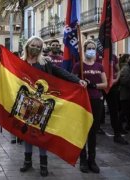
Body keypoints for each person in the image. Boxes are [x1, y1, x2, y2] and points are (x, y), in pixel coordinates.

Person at [19, 36, 87, 177]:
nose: (36, 48)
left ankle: (44, 164)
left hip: (42, 103)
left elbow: (61, 72)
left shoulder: (45, 62)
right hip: (26, 102)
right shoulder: (20, 62)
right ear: (27, 45)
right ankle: (27, 161)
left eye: (39, 46)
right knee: (26, 134)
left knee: (41, 133)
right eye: (33, 45)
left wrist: (77, 80)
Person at [72, 40, 107, 174]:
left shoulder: (99, 66)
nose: (91, 50)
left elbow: (105, 84)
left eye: (93, 48)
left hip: (96, 100)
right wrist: (79, 84)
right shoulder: (78, 66)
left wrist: (93, 86)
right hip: (83, 101)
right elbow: (72, 81)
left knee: (93, 131)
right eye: (89, 48)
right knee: (83, 131)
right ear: (84, 50)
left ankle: (92, 160)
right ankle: (83, 161)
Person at [119, 54, 130, 131]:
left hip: (125, 93)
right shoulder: (126, 68)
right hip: (125, 93)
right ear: (127, 59)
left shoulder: (125, 67)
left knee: (127, 111)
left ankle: (128, 125)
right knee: (124, 111)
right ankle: (119, 126)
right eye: (129, 58)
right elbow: (125, 81)